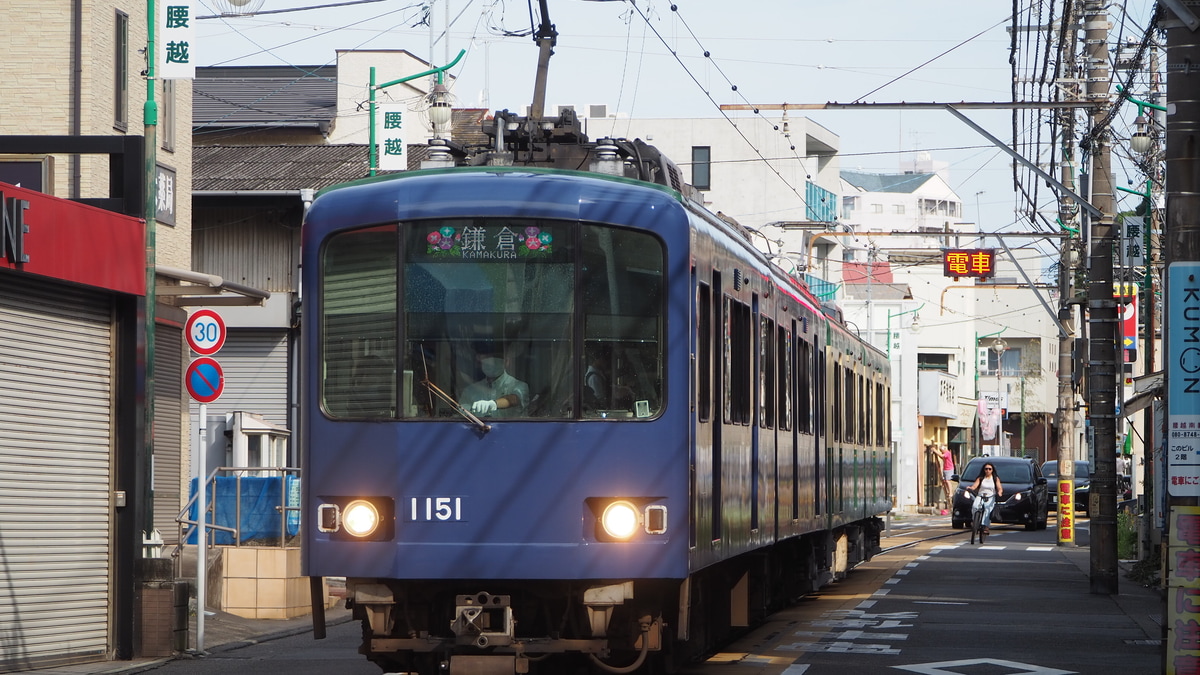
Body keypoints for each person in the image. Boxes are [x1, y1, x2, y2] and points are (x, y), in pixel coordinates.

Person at [462, 356, 529, 418]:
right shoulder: (470, 390)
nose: (490, 365)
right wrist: (468, 410)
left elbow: (514, 399)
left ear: (506, 362)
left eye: (495, 362)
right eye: (486, 363)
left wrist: (493, 404)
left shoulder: (520, 386)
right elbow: (461, 411)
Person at [967, 462, 1004, 534]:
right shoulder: (980, 478)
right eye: (986, 469)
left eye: (990, 469)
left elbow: (999, 488)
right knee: (975, 506)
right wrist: (971, 488)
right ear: (983, 470)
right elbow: (975, 486)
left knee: (987, 509)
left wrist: (999, 492)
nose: (988, 471)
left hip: (990, 496)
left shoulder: (995, 478)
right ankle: (974, 521)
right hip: (980, 496)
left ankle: (986, 526)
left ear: (992, 470)